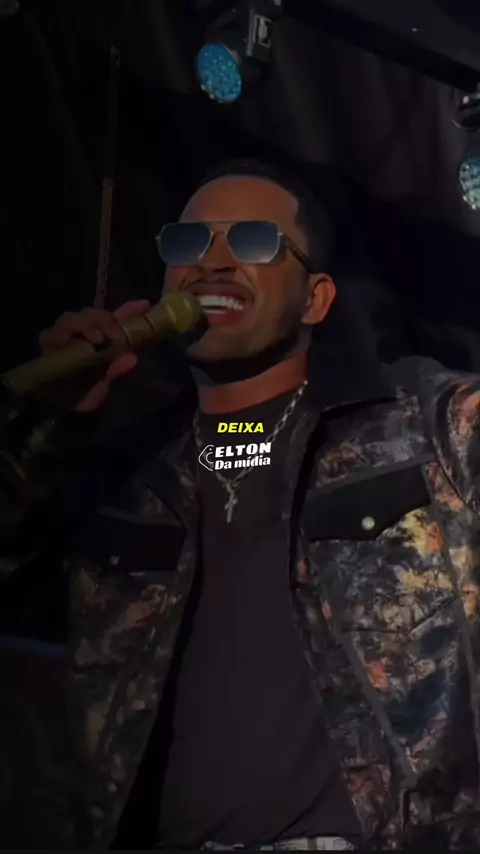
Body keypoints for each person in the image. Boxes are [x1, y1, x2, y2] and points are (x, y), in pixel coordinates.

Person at [2, 158, 480, 851]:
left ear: (315, 299)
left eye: (253, 241)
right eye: (189, 243)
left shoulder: (422, 426)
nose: (213, 263)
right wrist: (49, 424)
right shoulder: (128, 476)